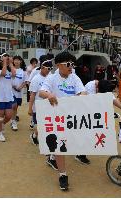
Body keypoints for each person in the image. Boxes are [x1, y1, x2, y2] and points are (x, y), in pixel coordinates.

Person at [39, 52, 87, 191]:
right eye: (68, 64)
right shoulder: (52, 78)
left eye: (72, 64)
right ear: (58, 65)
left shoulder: (75, 77)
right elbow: (42, 92)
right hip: (56, 117)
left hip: (71, 118)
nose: (71, 67)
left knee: (67, 143)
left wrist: (81, 96)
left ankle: (52, 155)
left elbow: (82, 92)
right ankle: (63, 175)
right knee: (61, 146)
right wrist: (49, 94)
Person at [28, 55, 52, 145]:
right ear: (42, 67)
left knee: (46, 124)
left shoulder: (50, 77)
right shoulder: (36, 79)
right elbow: (32, 95)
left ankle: (37, 136)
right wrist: (30, 108)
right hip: (38, 106)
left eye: (50, 68)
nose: (49, 70)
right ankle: (34, 135)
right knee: (41, 125)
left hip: (48, 105)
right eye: (47, 68)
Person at [0, 53, 16, 142]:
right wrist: (5, 63)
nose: (7, 58)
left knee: (9, 115)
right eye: (5, 57)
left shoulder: (9, 69)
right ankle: (0, 132)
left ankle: (1, 125)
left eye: (7, 56)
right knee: (0, 114)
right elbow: (3, 73)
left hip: (8, 96)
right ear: (0, 59)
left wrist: (10, 63)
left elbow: (14, 74)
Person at [10, 55, 27, 131]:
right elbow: (8, 80)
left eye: (18, 60)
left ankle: (12, 118)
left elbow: (25, 81)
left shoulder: (23, 71)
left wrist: (20, 87)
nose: (16, 61)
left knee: (15, 107)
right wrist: (13, 86)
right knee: (14, 105)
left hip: (19, 92)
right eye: (15, 60)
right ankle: (13, 122)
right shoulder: (11, 70)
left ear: (21, 61)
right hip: (11, 91)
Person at [26, 58, 38, 129]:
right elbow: (29, 71)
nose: (35, 63)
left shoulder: (36, 69)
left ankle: (32, 120)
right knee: (33, 104)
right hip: (31, 87)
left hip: (39, 90)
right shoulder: (30, 68)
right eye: (33, 62)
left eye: (35, 62)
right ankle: (33, 121)